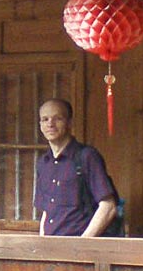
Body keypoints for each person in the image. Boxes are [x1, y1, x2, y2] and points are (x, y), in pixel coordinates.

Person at [33, 98, 118, 237]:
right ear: (40, 125)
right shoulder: (43, 163)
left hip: (81, 252)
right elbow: (46, 211)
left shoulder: (87, 157)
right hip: (51, 250)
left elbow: (108, 207)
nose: (50, 124)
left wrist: (81, 244)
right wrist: (43, 243)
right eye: (45, 119)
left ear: (69, 123)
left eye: (57, 118)